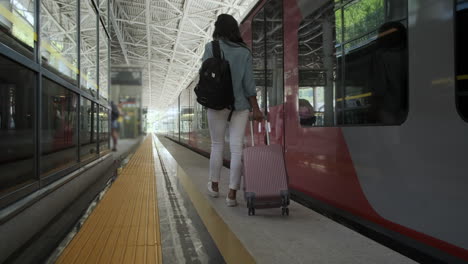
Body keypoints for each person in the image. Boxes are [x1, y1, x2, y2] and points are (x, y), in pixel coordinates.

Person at [203, 14, 263, 207]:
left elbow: (204, 77)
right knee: (237, 149)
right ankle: (231, 194)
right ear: (235, 29)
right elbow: (248, 85)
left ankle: (214, 187)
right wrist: (256, 108)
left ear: (217, 29)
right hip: (240, 107)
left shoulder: (210, 48)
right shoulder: (244, 52)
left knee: (217, 145)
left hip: (216, 104)